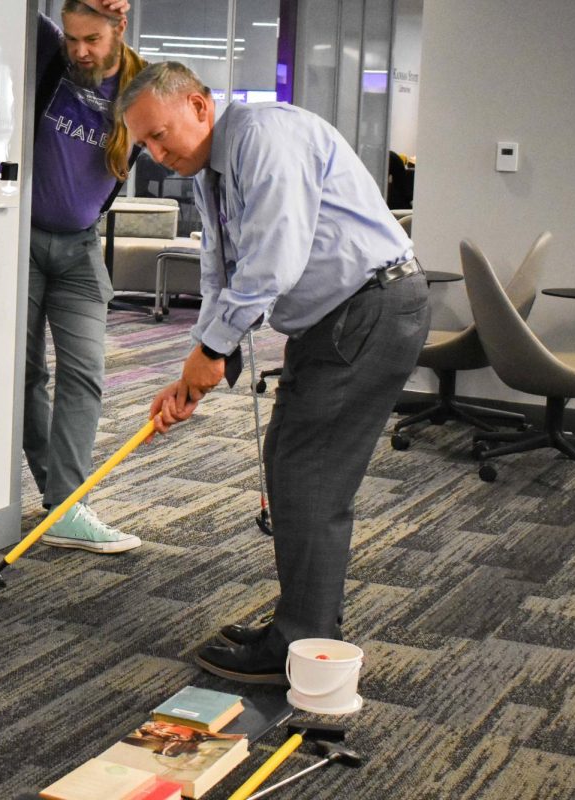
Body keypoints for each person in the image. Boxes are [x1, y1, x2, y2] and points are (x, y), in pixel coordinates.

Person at [118, 62, 430, 682]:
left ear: (201, 107)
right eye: (144, 145)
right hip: (339, 317)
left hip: (368, 307)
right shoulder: (213, 170)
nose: (154, 153)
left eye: (159, 134)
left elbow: (272, 261)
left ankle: (303, 643)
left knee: (307, 472)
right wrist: (200, 363)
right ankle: (303, 624)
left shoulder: (263, 136)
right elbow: (221, 272)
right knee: (291, 458)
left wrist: (211, 352)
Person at [25, 0, 144, 553]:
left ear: (119, 28)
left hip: (79, 248)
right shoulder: (53, 53)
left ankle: (68, 505)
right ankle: (62, 501)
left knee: (85, 372)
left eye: (92, 39)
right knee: (25, 375)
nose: (80, 51)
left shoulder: (143, 87)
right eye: (73, 37)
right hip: (20, 243)